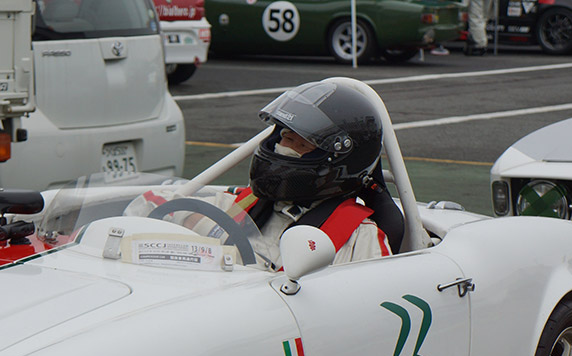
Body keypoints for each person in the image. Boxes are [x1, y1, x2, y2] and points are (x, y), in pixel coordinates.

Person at [130, 80, 404, 268]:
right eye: (285, 138)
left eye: (301, 144)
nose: (285, 150)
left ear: (337, 160)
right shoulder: (237, 203)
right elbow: (150, 203)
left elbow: (371, 310)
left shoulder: (360, 239)